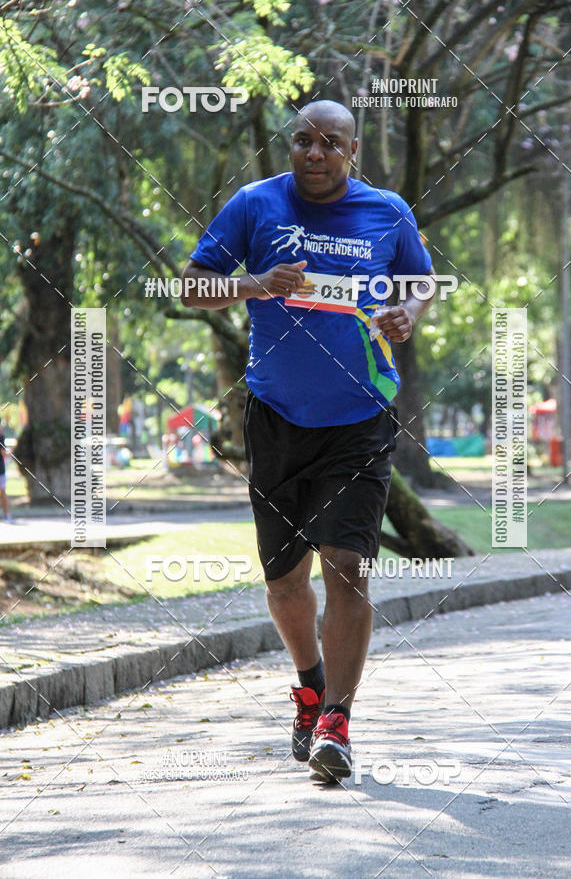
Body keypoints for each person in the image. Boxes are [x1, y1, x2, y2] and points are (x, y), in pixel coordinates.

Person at [181, 100, 434, 782]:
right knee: (285, 581)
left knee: (346, 566)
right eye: (302, 141)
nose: (314, 153)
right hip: (276, 418)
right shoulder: (253, 204)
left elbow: (419, 280)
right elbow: (192, 283)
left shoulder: (387, 211)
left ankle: (337, 724)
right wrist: (256, 283)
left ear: (353, 151)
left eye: (329, 143)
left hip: (360, 417)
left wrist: (406, 312)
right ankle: (309, 684)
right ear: (289, 146)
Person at [0, 423, 13, 522]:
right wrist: (11, 451)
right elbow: (4, 453)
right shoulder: (1, 437)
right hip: (1, 470)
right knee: (3, 493)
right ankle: (7, 516)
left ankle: (7, 515)